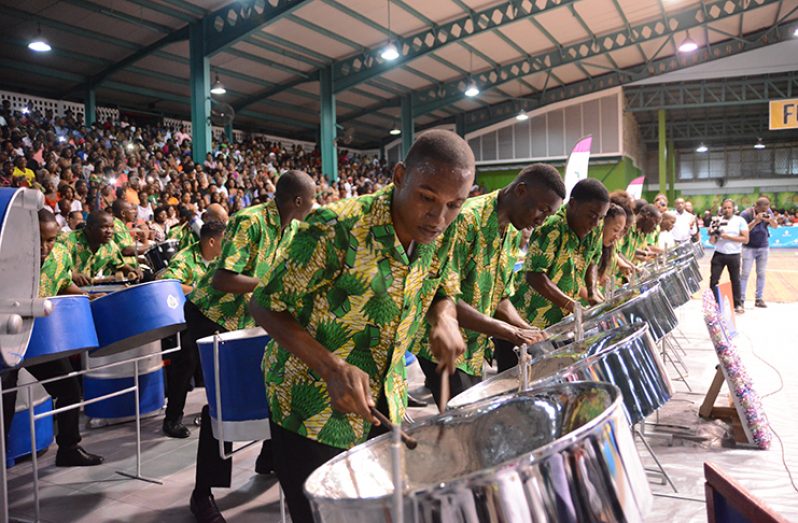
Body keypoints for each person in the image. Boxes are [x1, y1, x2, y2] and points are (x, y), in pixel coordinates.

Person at [249, 130, 475, 523]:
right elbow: (264, 305)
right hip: (313, 409)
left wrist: (444, 316)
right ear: (400, 175)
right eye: (427, 198)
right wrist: (331, 367)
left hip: (386, 399)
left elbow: (442, 286)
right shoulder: (336, 227)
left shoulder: (444, 231)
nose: (439, 217)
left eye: (453, 205)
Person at [184, 171, 316, 523]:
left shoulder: (289, 229)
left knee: (275, 384)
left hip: (246, 316)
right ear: (298, 201)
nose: (314, 207)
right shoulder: (250, 220)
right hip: (211, 312)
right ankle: (202, 496)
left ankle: (268, 458)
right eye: (312, 200)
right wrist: (272, 287)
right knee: (224, 401)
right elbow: (223, 278)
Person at [411, 163, 565, 405]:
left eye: (549, 215)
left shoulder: (513, 230)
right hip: (443, 343)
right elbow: (442, 295)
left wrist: (525, 328)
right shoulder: (465, 219)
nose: (541, 221)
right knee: (464, 425)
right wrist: (511, 332)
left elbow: (499, 296)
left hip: (475, 345)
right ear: (521, 191)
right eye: (542, 210)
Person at [1, 210, 104, 468]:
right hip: (7, 337)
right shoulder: (7, 257)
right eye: (40, 240)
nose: (46, 247)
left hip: (40, 336)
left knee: (69, 388)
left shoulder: (59, 255)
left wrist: (85, 297)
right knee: (6, 399)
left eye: (51, 240)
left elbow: (62, 282)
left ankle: (69, 448)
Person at [500, 178, 609, 372]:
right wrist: (572, 305)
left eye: (600, 217)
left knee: (553, 376)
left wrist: (592, 291)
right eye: (592, 215)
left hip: (559, 322)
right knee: (516, 383)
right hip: (525, 319)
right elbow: (534, 275)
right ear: (573, 204)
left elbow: (593, 258)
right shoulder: (550, 227)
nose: (595, 222)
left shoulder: (596, 227)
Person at [59, 211, 133, 286]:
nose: (109, 231)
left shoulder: (109, 245)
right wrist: (72, 275)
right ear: (89, 228)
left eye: (111, 227)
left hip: (88, 291)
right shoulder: (66, 241)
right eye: (104, 227)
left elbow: (119, 265)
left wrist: (133, 271)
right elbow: (52, 269)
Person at [708, 199, 749, 314]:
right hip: (719, 254)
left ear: (734, 209)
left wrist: (727, 237)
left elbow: (745, 239)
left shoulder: (740, 220)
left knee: (735, 280)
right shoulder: (717, 220)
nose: (727, 210)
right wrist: (713, 233)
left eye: (729, 207)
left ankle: (738, 304)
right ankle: (714, 303)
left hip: (734, 254)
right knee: (714, 279)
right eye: (724, 208)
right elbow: (712, 242)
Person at [740, 196, 778, 308]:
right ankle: (741, 299)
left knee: (761, 273)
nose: (764, 212)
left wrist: (770, 219)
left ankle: (759, 299)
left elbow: (775, 226)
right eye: (762, 211)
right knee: (745, 274)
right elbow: (743, 231)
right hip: (748, 247)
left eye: (766, 210)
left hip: (763, 246)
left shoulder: (768, 211)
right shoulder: (745, 214)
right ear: (756, 206)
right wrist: (756, 221)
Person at [597, 203, 630, 288]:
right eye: (615, 230)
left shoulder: (610, 245)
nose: (617, 236)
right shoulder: (591, 245)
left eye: (620, 232)